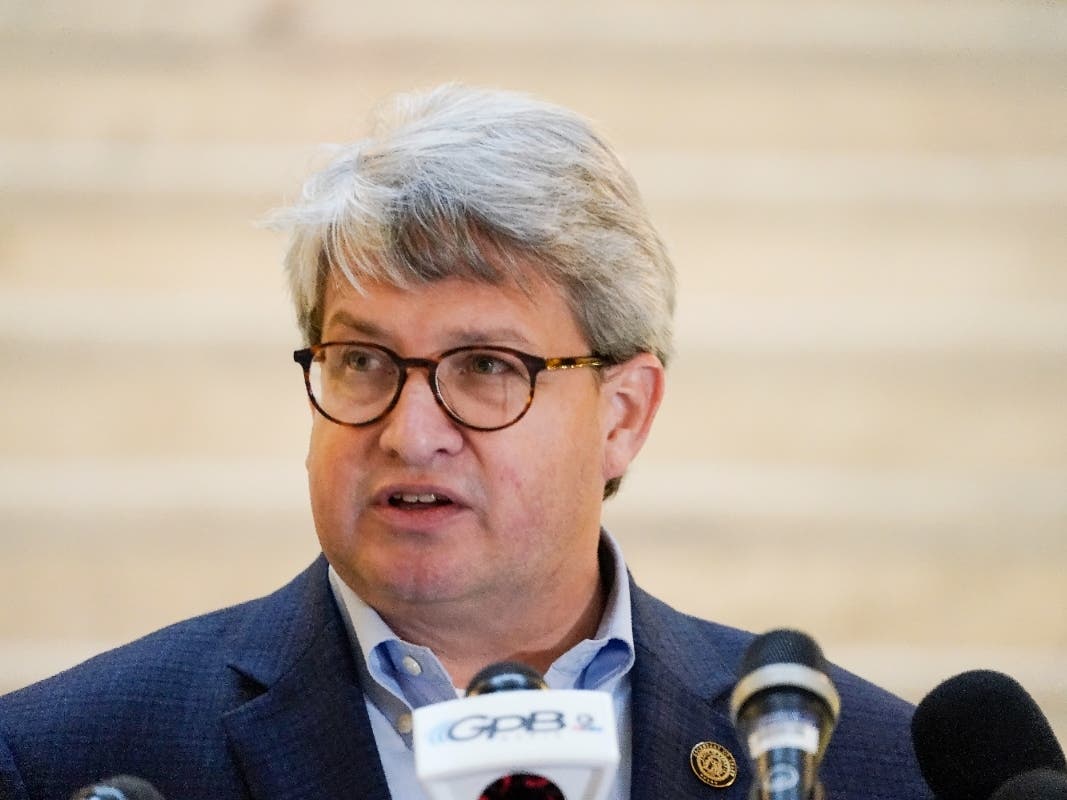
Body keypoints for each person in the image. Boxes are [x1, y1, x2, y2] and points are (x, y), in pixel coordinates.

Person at [0, 84, 929, 800]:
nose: (408, 433)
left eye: (486, 366)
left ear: (623, 413)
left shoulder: (877, 769)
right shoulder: (61, 756)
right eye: (361, 360)